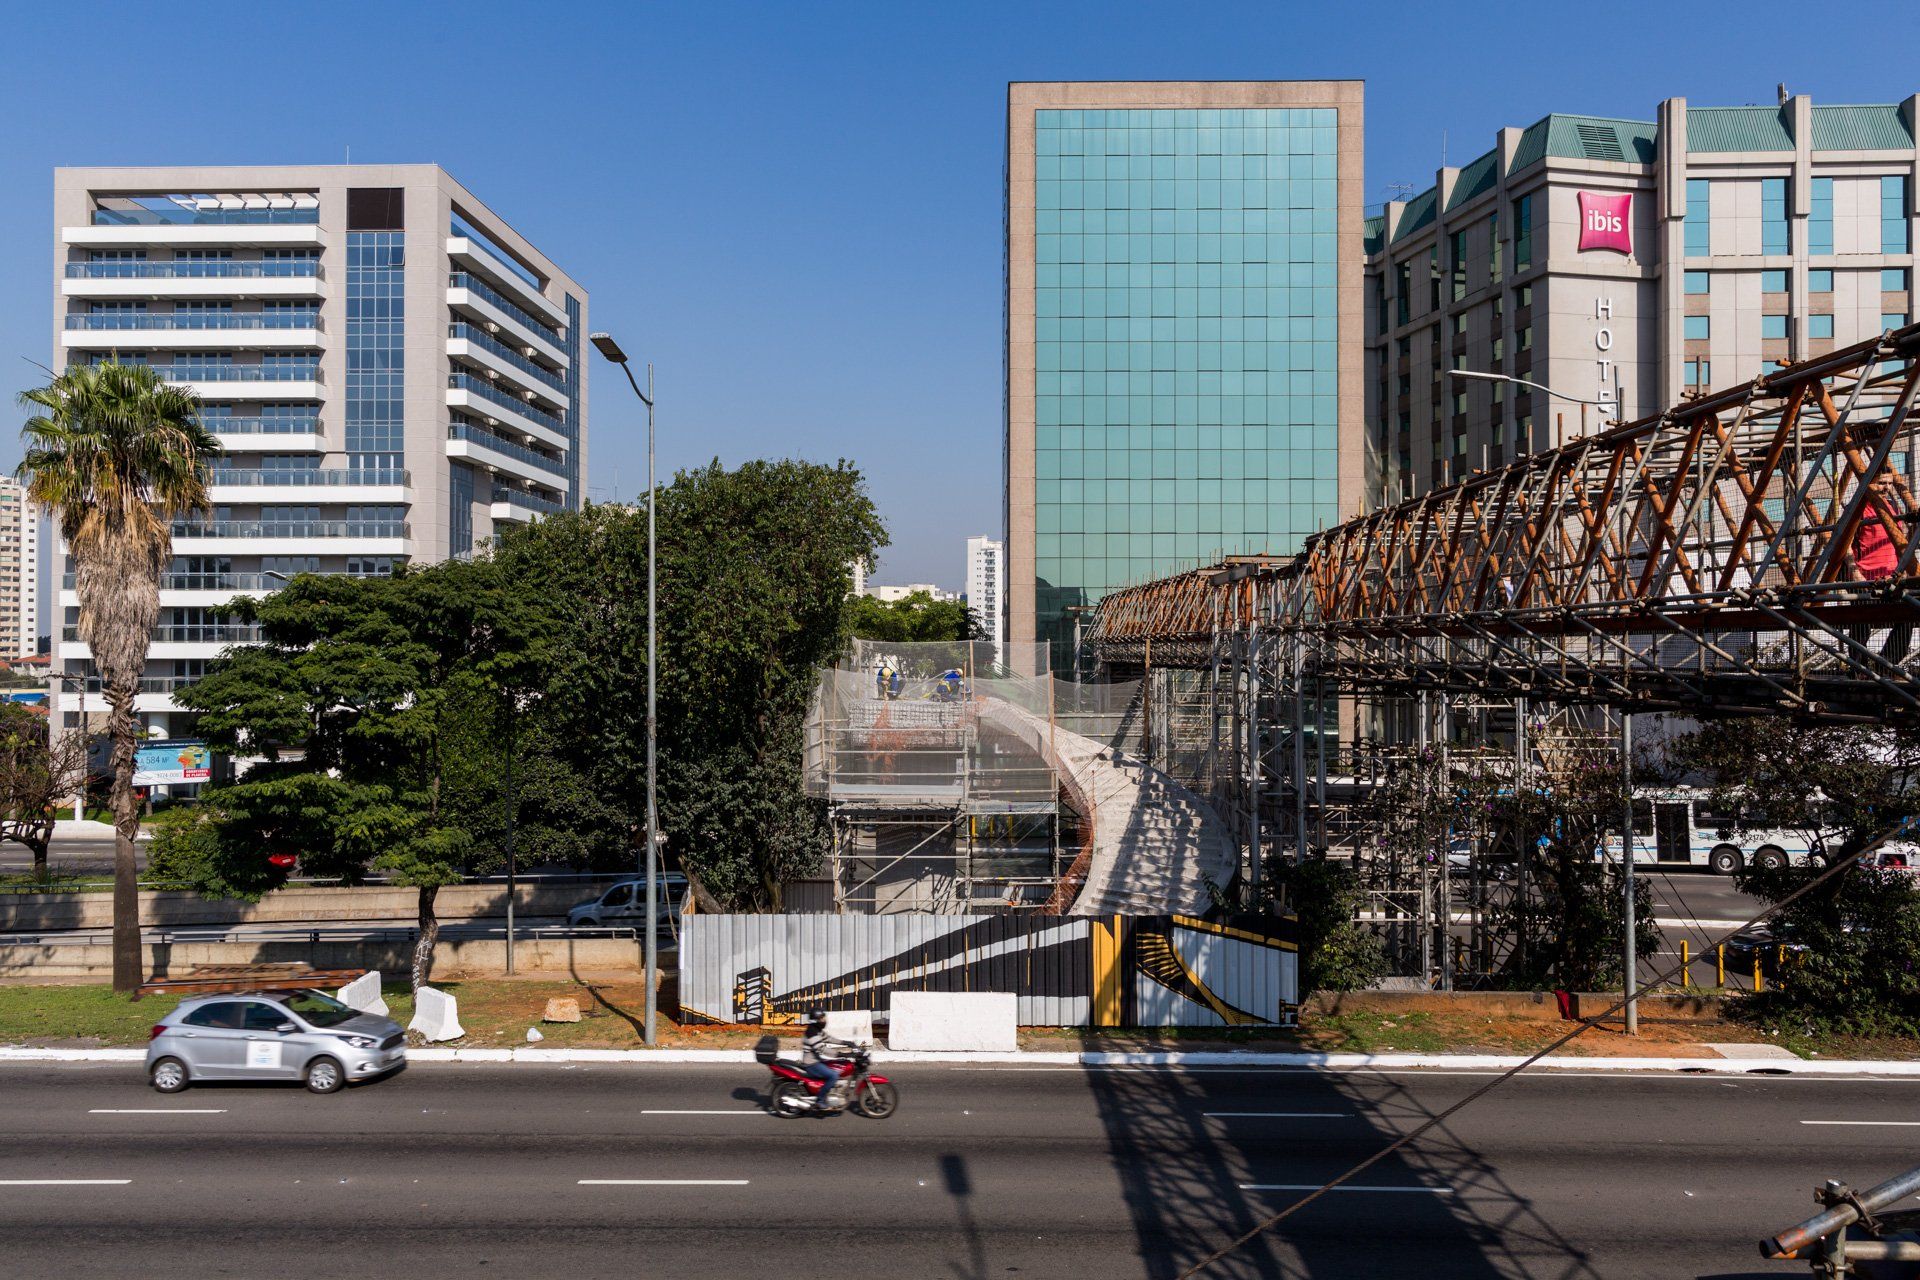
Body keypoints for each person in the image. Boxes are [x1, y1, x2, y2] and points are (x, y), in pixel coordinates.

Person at [800, 1010, 852, 1111]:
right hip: (811, 1064)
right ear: (815, 1020)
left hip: (817, 1060)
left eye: (824, 1018)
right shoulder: (811, 1032)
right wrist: (841, 1054)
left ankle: (831, 1092)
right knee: (834, 1075)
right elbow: (822, 1049)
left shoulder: (817, 1030)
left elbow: (829, 1039)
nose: (824, 1020)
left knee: (838, 1066)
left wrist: (847, 1043)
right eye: (822, 1019)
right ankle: (820, 1100)